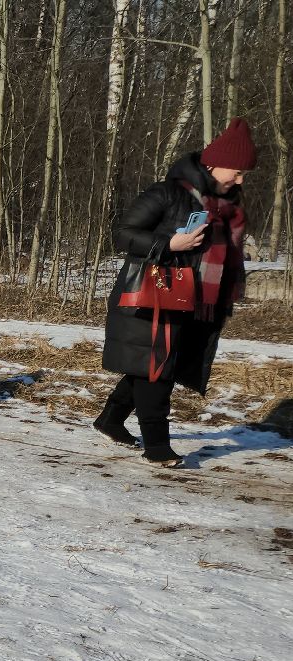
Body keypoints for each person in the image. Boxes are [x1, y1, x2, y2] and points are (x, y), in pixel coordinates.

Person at [94, 118, 255, 468]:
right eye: (237, 172)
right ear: (213, 164)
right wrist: (169, 243)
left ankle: (109, 420)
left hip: (196, 303)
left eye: (244, 174)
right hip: (155, 295)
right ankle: (157, 448)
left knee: (151, 365)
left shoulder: (228, 209)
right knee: (156, 371)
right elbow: (122, 234)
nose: (240, 181)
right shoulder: (168, 193)